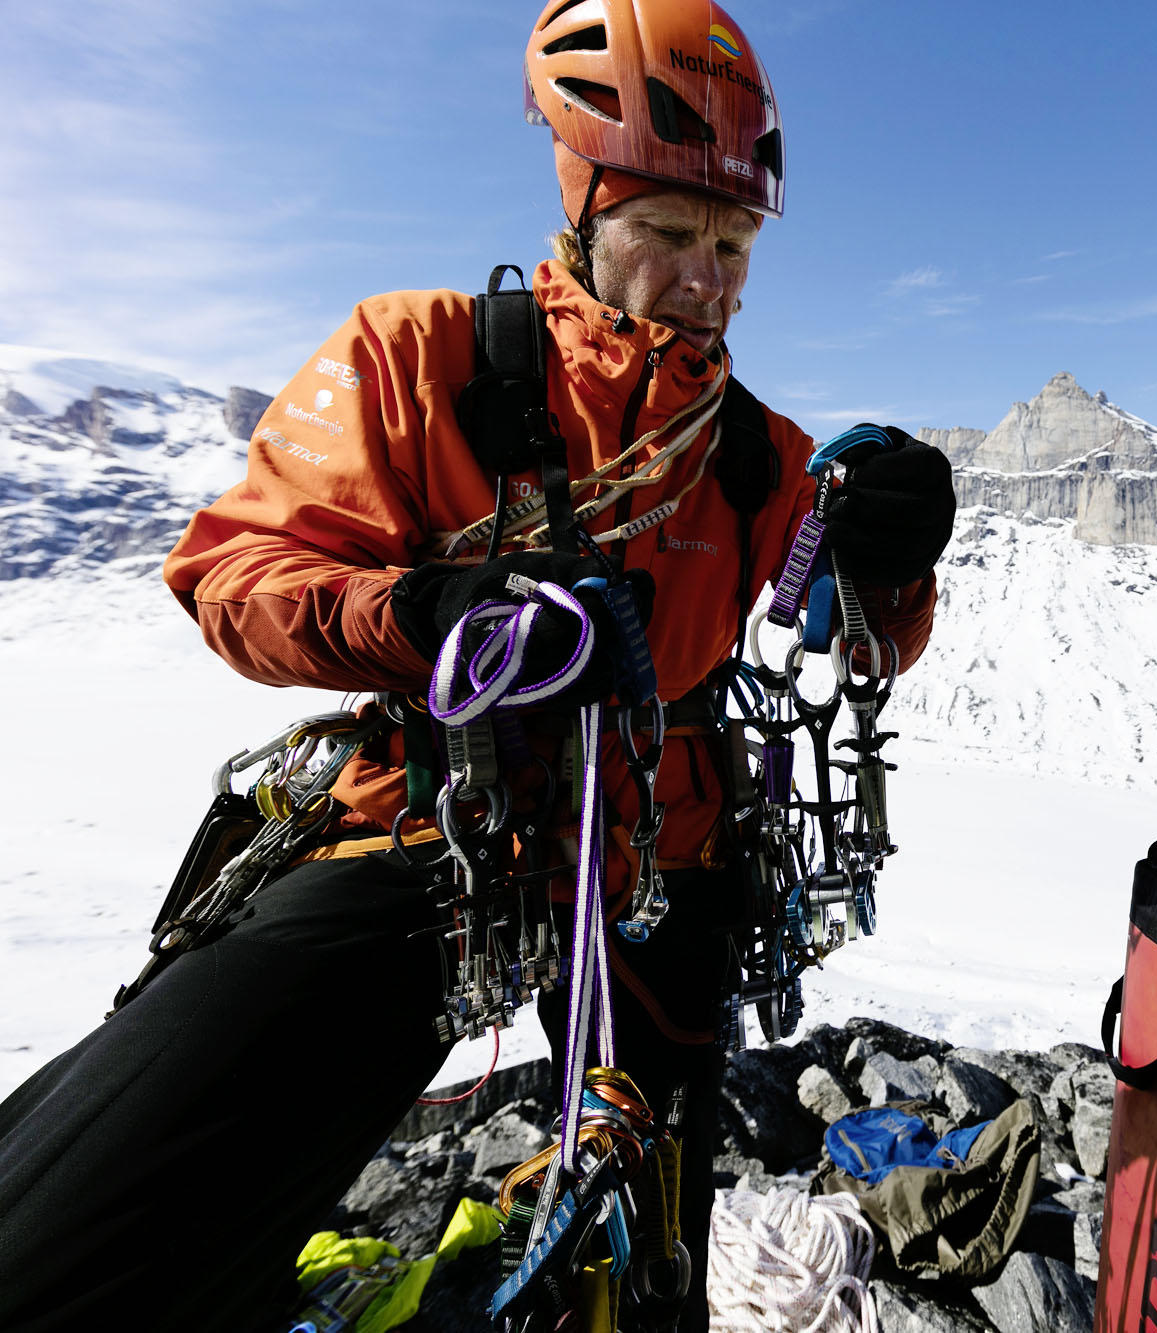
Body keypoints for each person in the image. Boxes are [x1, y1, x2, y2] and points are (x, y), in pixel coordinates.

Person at [0, 1, 957, 1328]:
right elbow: (234, 575)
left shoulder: (754, 453)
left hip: (658, 857)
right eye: (667, 235)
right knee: (83, 1228)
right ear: (580, 208)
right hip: (430, 832)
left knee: (650, 1206)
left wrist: (896, 558)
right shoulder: (422, 362)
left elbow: (863, 634)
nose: (706, 279)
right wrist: (430, 613)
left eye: (732, 246)